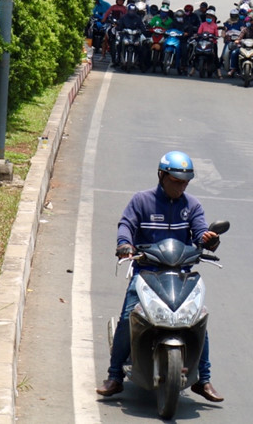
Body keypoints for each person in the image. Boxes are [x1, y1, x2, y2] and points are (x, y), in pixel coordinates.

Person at [96, 152, 224, 403]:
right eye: (176, 181)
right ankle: (114, 376)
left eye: (185, 182)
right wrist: (124, 244)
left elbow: (200, 232)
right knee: (128, 317)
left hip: (180, 274)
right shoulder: (141, 201)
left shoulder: (192, 206)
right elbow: (126, 225)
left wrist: (209, 240)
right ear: (162, 176)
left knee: (197, 318)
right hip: (146, 273)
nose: (181, 186)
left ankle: (204, 379)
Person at [227, 13, 253, 79]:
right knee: (234, 53)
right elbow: (240, 37)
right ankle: (233, 69)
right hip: (244, 48)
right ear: (250, 22)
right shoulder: (245, 29)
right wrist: (238, 40)